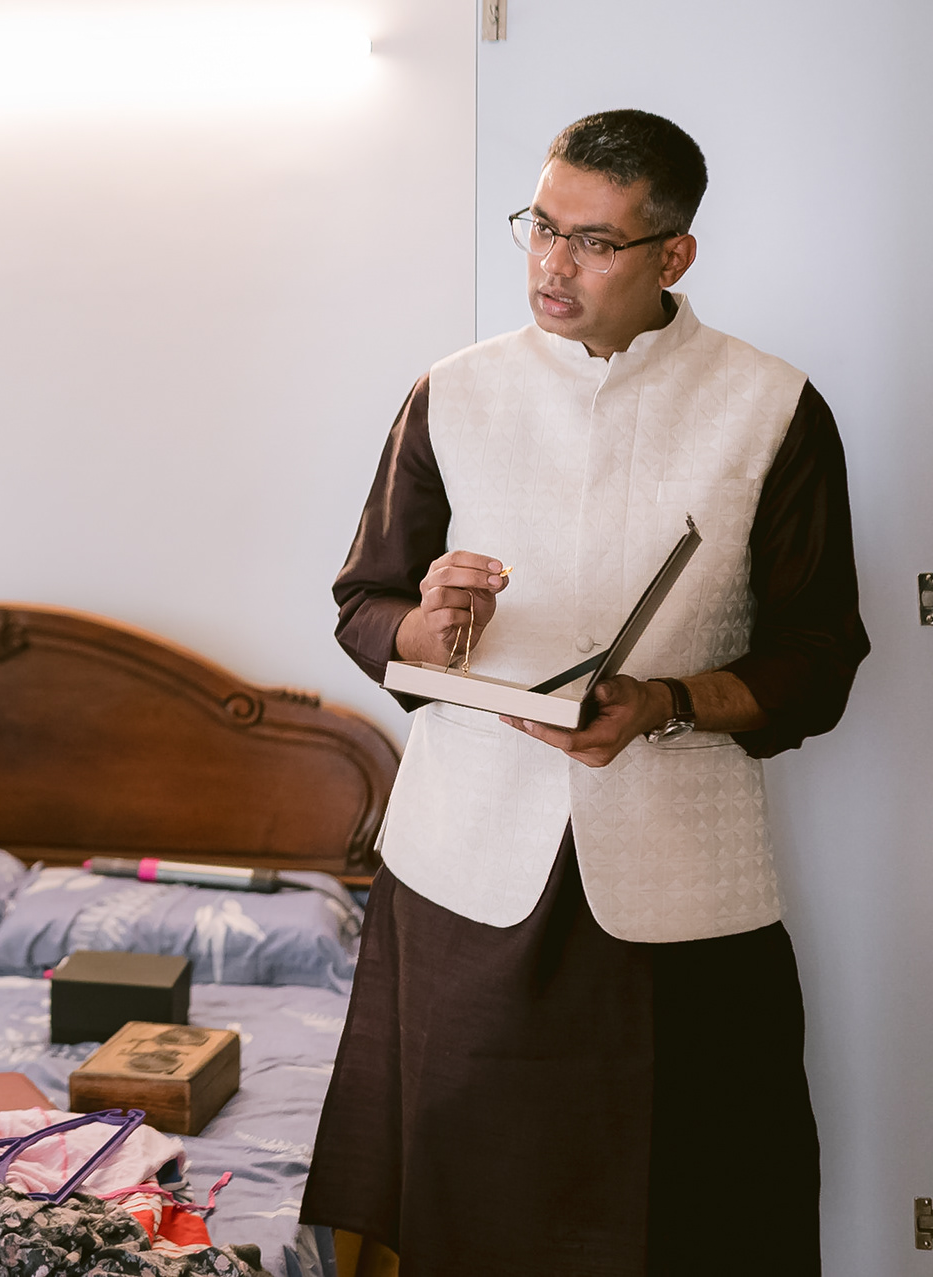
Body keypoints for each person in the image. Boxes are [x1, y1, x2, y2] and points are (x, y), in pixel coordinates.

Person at [303, 111, 867, 1276]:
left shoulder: (773, 406)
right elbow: (365, 602)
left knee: (695, 1213)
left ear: (674, 254)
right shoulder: (452, 393)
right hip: (461, 873)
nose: (553, 265)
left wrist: (666, 702)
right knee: (465, 1203)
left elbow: (820, 656)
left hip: (681, 885)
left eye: (596, 242)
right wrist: (429, 626)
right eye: (542, 226)